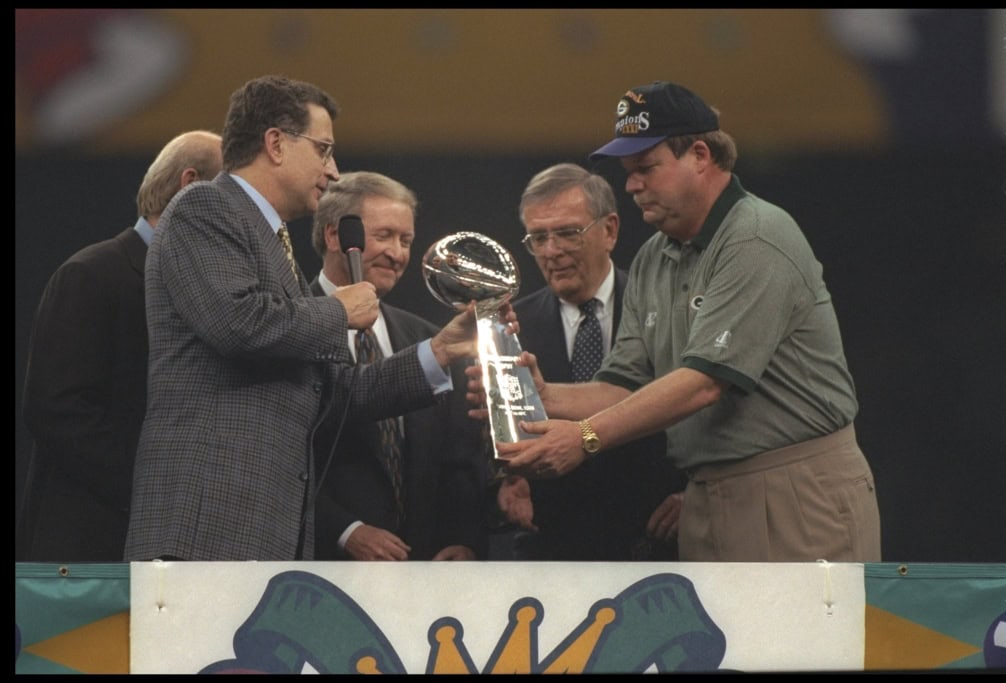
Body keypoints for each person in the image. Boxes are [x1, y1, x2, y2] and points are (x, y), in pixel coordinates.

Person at [486, 81, 881, 563]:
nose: (631, 185)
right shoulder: (655, 255)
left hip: (793, 487)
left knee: (801, 641)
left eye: (646, 168)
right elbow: (626, 382)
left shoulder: (756, 236)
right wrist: (549, 398)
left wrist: (586, 436)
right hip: (705, 496)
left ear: (699, 154)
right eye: (629, 172)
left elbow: (705, 382)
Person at [123, 75, 501, 562]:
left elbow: (338, 390)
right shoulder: (204, 207)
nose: (332, 170)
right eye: (323, 150)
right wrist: (339, 310)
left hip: (265, 533)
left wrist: (440, 350)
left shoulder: (272, 247)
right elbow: (238, 324)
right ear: (276, 143)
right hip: (207, 525)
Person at [18, 130, 223, 562]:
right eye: (231, 197)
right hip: (88, 551)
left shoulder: (202, 291)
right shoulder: (92, 274)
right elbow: (55, 409)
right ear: (190, 185)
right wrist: (154, 485)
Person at [492, 163, 684, 561]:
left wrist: (696, 494)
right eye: (538, 237)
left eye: (567, 233)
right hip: (551, 551)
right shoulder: (509, 329)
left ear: (610, 230)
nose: (551, 251)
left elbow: (705, 407)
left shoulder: (666, 310)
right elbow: (476, 436)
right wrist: (504, 479)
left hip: (658, 545)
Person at [310, 172, 489, 561]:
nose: (398, 253)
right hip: (324, 571)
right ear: (335, 236)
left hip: (424, 576)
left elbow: (457, 457)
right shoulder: (291, 326)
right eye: (384, 236)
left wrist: (461, 539)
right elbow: (275, 461)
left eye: (405, 240)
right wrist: (345, 531)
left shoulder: (430, 339)